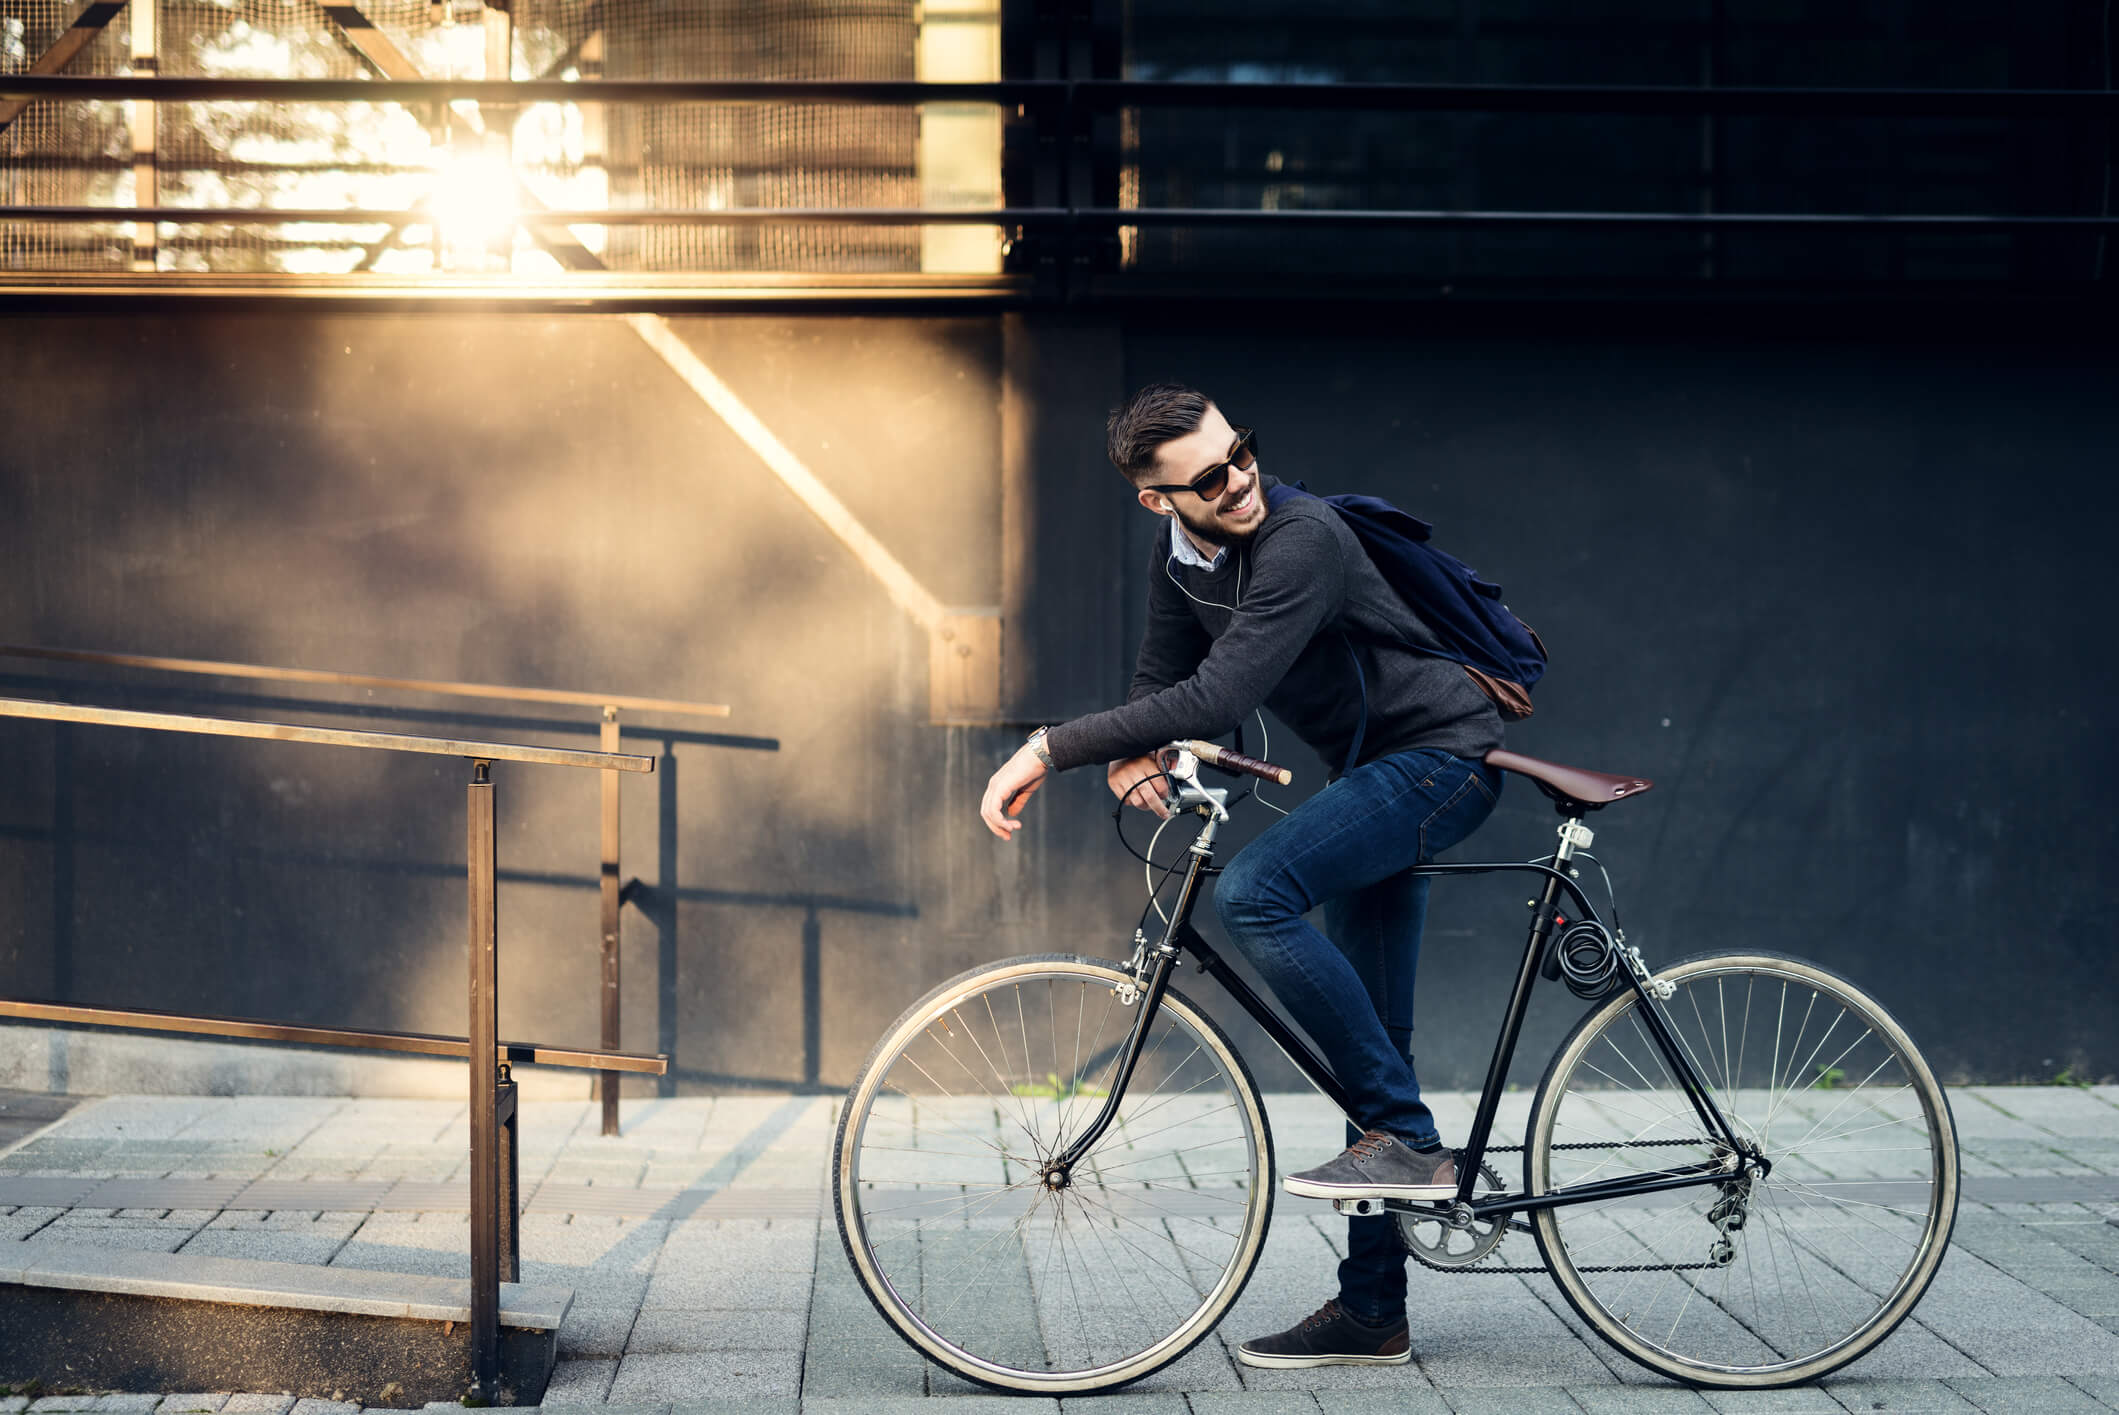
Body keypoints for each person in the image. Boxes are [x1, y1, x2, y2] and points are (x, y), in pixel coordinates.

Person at [977, 382, 1507, 1370]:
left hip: (1442, 758)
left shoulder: (1301, 537)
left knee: (1254, 890)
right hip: (1376, 771)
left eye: (1241, 454)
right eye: (1209, 478)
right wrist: (1138, 746)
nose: (1239, 481)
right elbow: (1165, 674)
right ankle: (1371, 1311)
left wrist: (1052, 747)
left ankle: (1406, 1137)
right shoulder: (1181, 553)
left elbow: (1223, 690)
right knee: (1370, 1039)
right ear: (1157, 500)